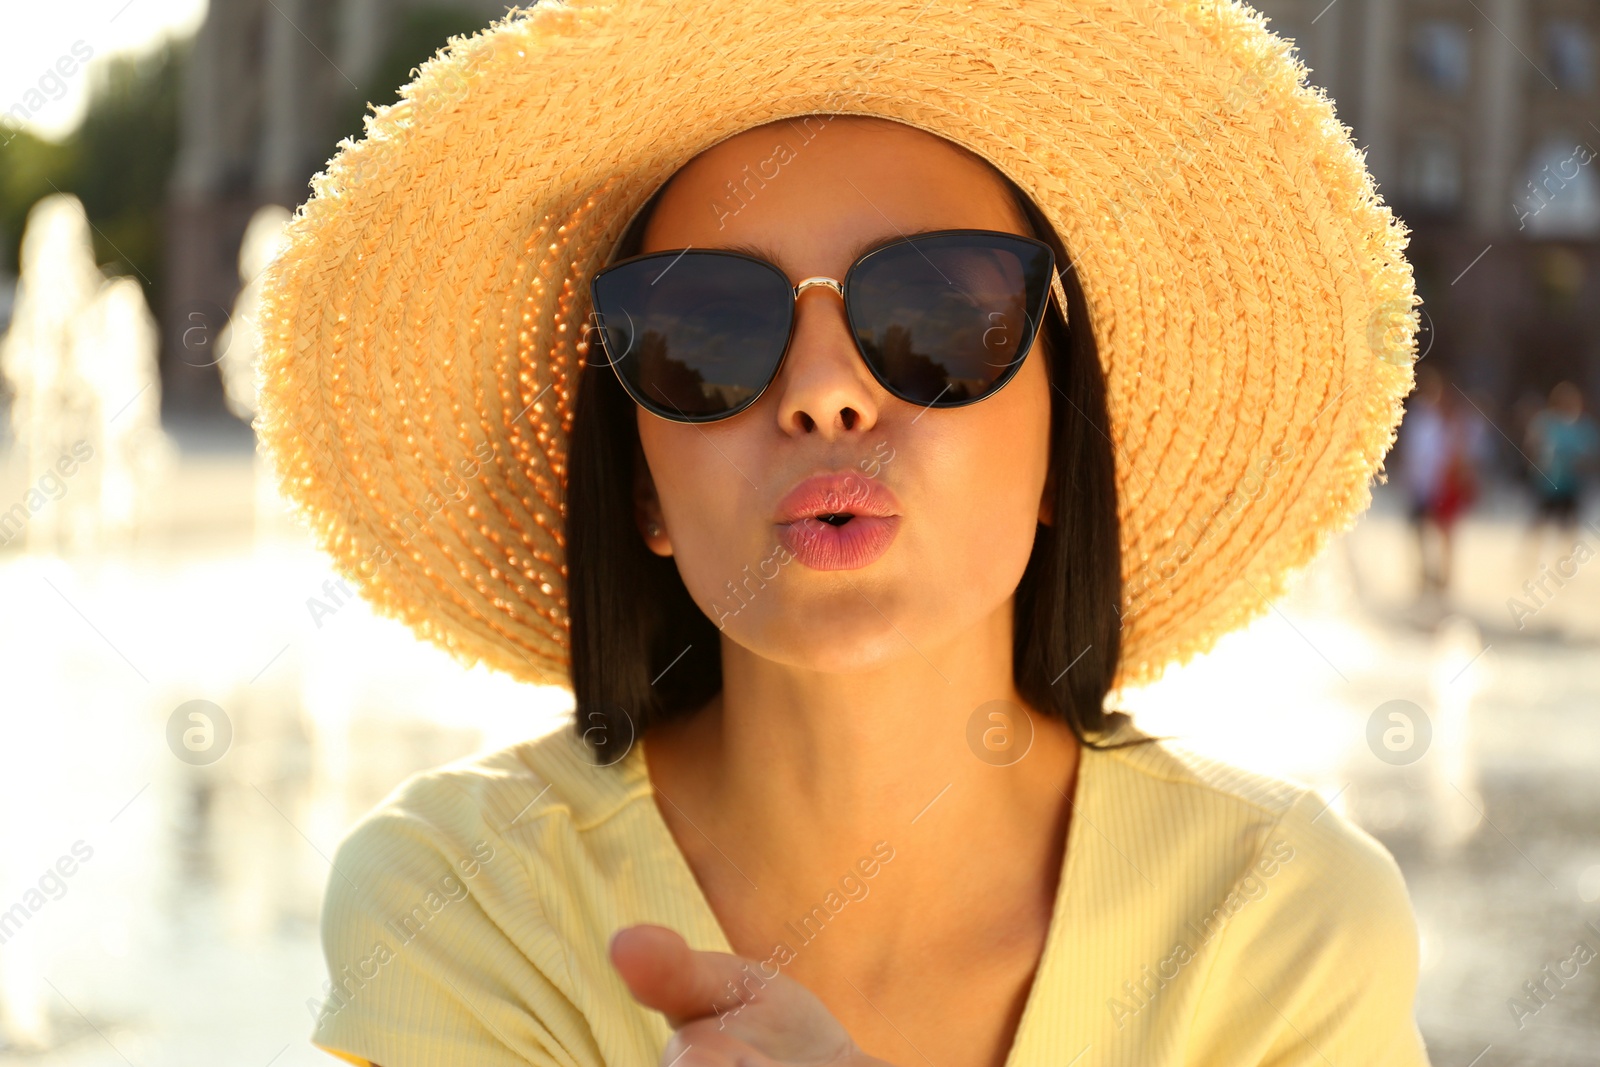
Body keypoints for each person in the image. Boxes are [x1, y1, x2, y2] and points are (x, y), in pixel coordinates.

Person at [253, 2, 1432, 1064]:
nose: (824, 389)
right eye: (704, 330)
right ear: (644, 493)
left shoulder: (1284, 914)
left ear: (1060, 449)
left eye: (935, 315)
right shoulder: (462, 894)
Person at [1398, 368, 1486, 602]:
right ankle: (1427, 572)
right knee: (1419, 529)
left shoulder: (1449, 419)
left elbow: (1459, 451)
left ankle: (1444, 576)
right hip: (1421, 483)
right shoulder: (1419, 417)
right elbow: (1411, 449)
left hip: (1441, 483)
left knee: (1444, 530)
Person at [1524, 381, 1600, 558]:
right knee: (1540, 522)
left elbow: (1591, 456)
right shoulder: (1546, 423)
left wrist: (1579, 463)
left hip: (1571, 485)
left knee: (1568, 525)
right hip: (1548, 483)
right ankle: (1531, 557)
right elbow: (1532, 445)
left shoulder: (1583, 427)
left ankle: (1566, 558)